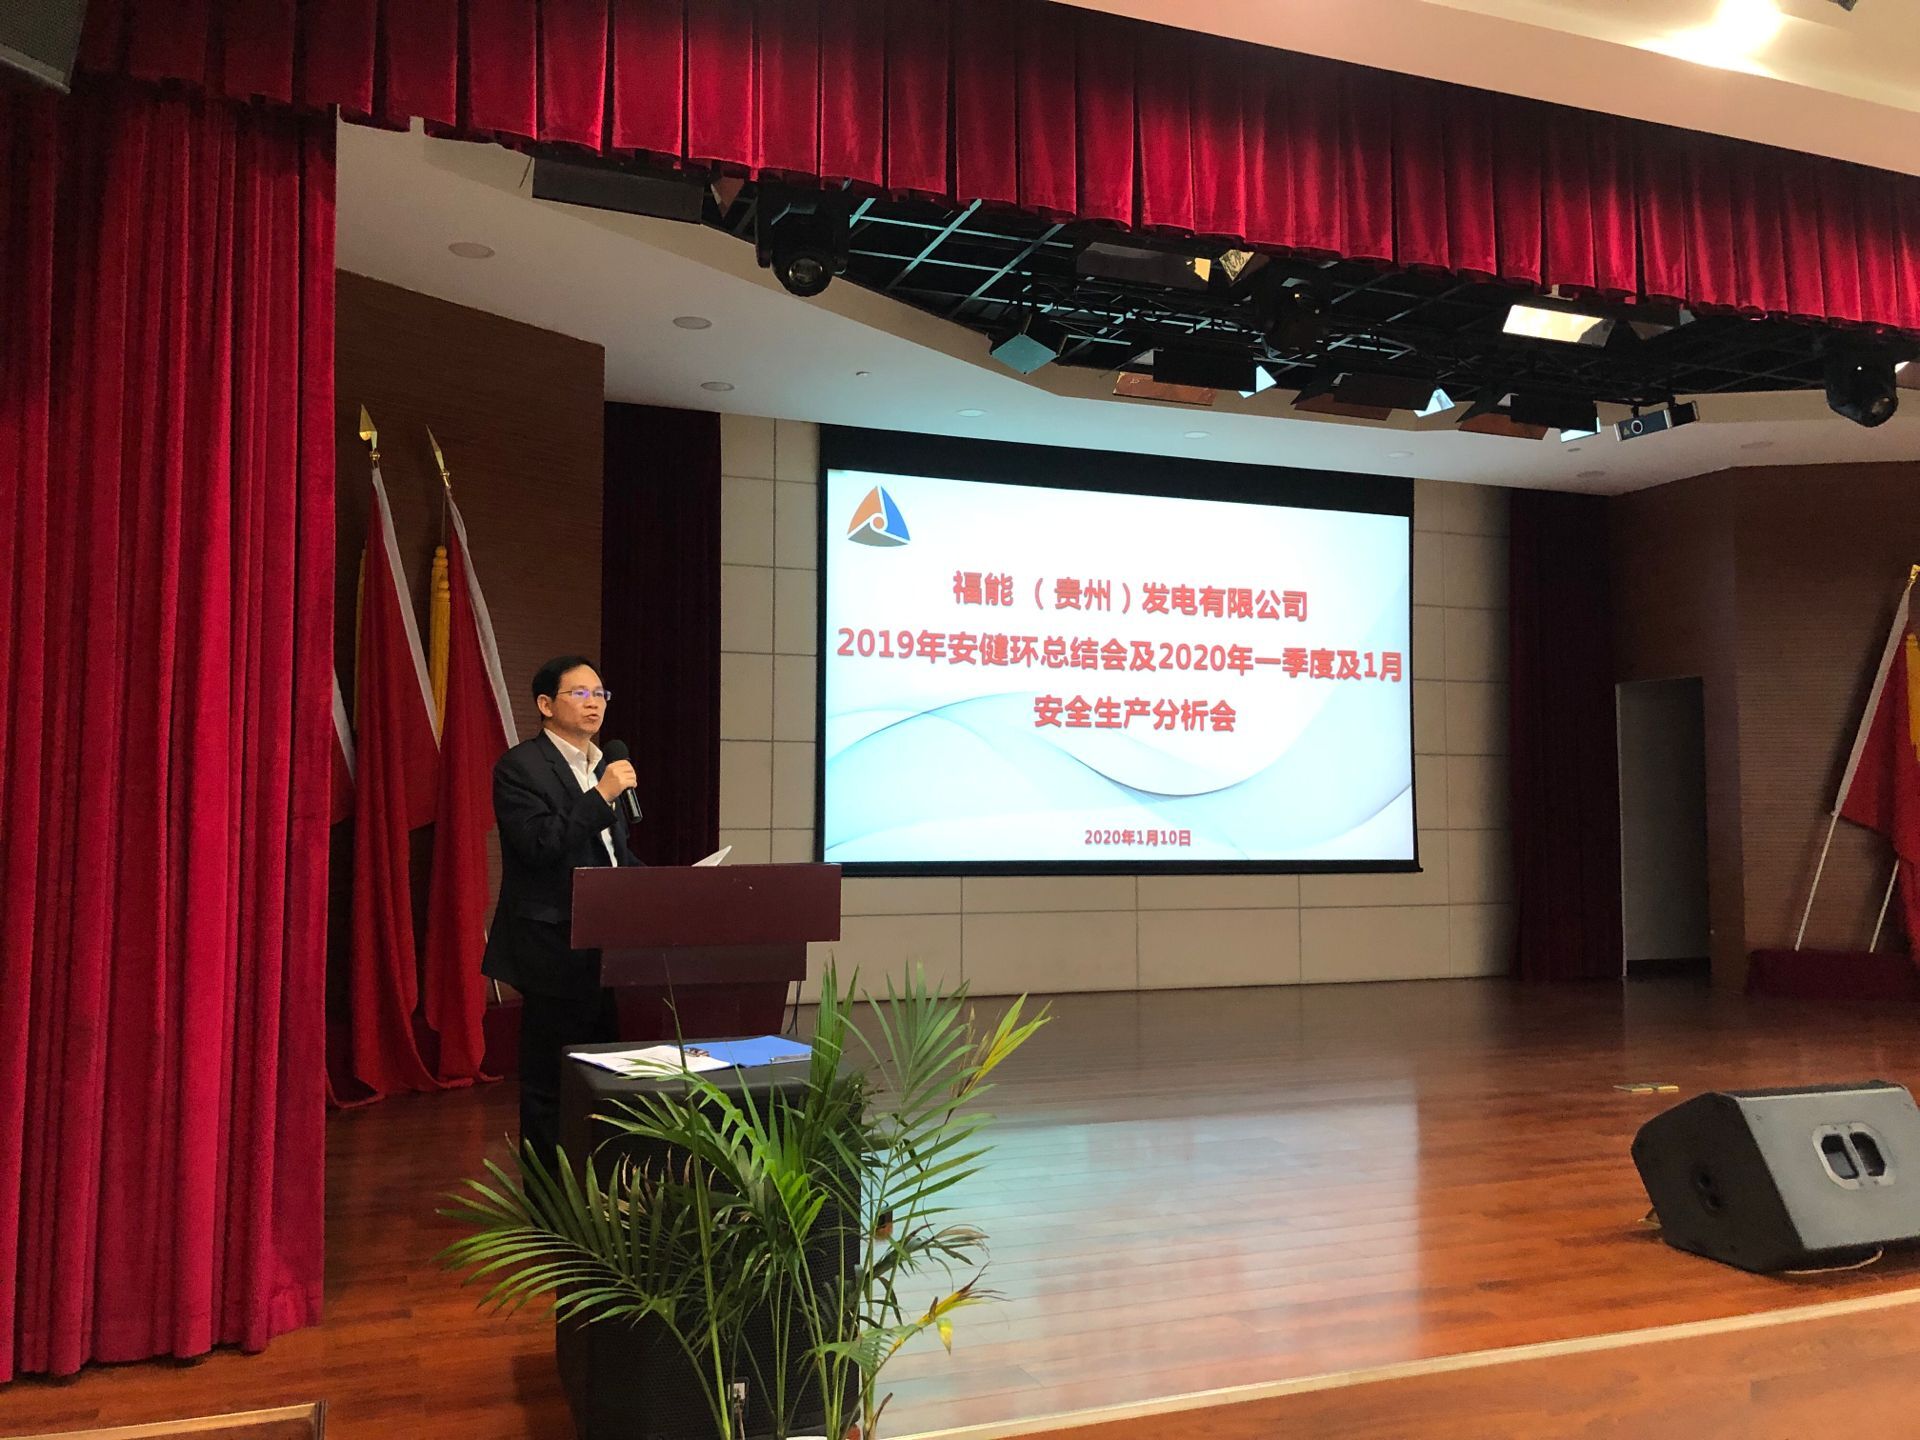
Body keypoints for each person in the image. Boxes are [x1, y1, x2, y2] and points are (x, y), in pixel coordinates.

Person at [482, 655, 639, 1167]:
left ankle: (601, 1187)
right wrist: (602, 795)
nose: (595, 703)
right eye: (581, 693)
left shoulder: (603, 764)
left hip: (610, 949)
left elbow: (613, 855)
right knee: (552, 1082)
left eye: (600, 694)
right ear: (546, 705)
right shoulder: (520, 767)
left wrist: (670, 884)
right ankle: (549, 1196)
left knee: (605, 1076)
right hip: (552, 947)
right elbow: (539, 844)